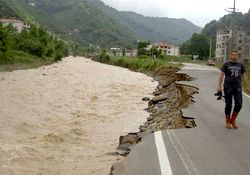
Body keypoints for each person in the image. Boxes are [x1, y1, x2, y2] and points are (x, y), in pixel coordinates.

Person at [217, 49, 250, 129]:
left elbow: (244, 75)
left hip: (238, 87)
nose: (234, 56)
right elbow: (221, 75)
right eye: (233, 55)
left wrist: (248, 85)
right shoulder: (226, 64)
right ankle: (227, 121)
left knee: (239, 104)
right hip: (228, 87)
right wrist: (219, 86)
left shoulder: (241, 65)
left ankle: (233, 120)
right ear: (230, 56)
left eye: (236, 55)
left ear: (238, 56)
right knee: (229, 104)